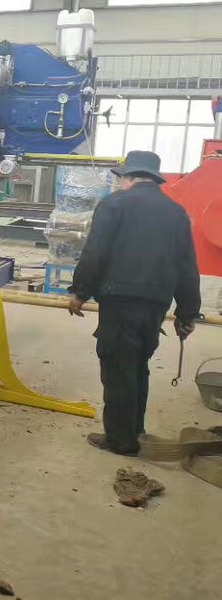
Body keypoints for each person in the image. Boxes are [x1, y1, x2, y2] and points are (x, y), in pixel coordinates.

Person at [68, 150, 200, 455]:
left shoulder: (114, 204)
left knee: (118, 368)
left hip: (120, 301)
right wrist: (187, 313)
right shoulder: (176, 212)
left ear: (127, 178)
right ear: (154, 178)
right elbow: (187, 266)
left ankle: (120, 440)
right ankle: (135, 429)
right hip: (156, 304)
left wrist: (80, 292)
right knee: (139, 365)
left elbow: (95, 252)